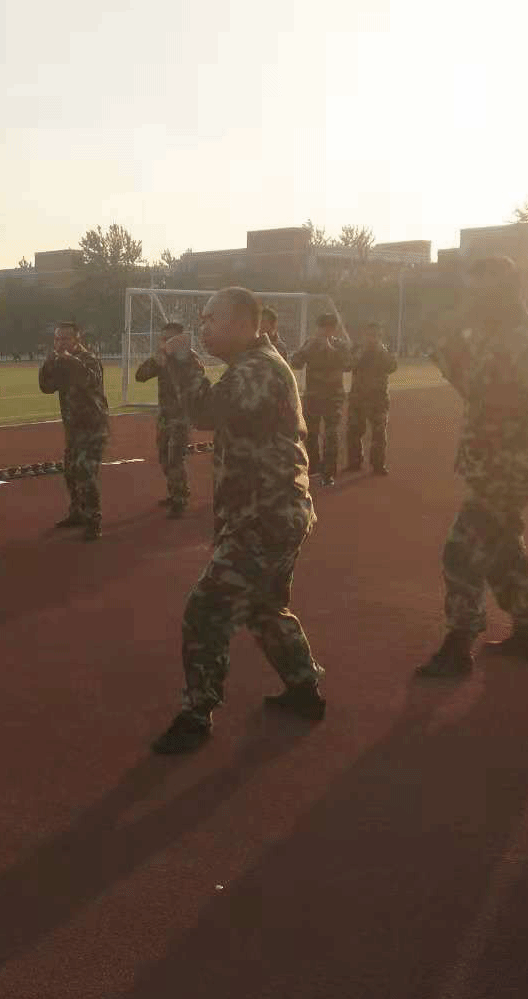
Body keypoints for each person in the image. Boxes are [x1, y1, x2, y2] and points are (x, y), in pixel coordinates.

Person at [151, 287, 325, 754]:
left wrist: (184, 361)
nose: (203, 327)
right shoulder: (252, 366)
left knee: (205, 610)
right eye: (203, 320)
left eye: (212, 319)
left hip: (263, 518)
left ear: (246, 324)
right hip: (271, 512)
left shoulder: (258, 369)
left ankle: (197, 713)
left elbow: (207, 412)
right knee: (265, 607)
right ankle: (304, 688)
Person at [416, 256, 528, 676]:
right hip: (499, 458)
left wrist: (450, 353)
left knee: (462, 550)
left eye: (480, 289)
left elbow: (487, 391)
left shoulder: (516, 336)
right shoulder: (503, 331)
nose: (472, 296)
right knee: (503, 545)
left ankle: (459, 643)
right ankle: (527, 629)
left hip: (506, 461)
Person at [37, 321, 108, 540]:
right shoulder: (60, 362)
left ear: (77, 340)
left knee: (85, 471)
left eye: (66, 339)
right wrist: (48, 365)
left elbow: (90, 380)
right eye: (57, 339)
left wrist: (71, 362)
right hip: (73, 428)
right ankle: (77, 512)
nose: (60, 343)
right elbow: (46, 387)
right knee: (70, 471)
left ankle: (93, 519)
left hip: (93, 426)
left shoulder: (89, 360)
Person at [135, 320, 193, 516]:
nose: (166, 342)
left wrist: (173, 362)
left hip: (181, 417)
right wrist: (156, 360)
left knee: (175, 457)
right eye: (164, 339)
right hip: (164, 417)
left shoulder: (189, 359)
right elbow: (140, 376)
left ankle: (180, 499)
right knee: (164, 457)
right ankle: (175, 490)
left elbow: (193, 385)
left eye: (171, 339)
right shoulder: (162, 358)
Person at [289, 313, 353, 486]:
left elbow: (348, 365)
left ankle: (328, 472)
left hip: (333, 397)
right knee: (311, 434)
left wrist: (331, 350)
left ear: (334, 329)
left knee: (331, 435)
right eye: (322, 327)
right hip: (314, 397)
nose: (325, 331)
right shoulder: (310, 344)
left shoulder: (340, 345)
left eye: (329, 327)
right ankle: (314, 466)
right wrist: (308, 349)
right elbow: (295, 363)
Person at [345, 321, 398, 475]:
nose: (372, 338)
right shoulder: (357, 349)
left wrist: (382, 351)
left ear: (380, 336)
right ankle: (354, 462)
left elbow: (392, 367)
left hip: (378, 399)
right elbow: (348, 366)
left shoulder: (385, 350)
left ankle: (378, 464)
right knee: (354, 431)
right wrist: (360, 353)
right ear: (364, 335)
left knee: (379, 433)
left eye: (376, 335)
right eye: (369, 335)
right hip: (358, 398)